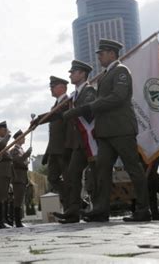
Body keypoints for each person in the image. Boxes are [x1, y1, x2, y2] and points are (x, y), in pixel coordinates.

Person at [63, 39, 151, 222]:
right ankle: (101, 210)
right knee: (102, 172)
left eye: (102, 53)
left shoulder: (121, 71)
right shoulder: (105, 75)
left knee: (133, 169)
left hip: (121, 129)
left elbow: (117, 97)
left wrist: (88, 108)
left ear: (112, 54)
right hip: (105, 133)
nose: (99, 57)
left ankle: (143, 209)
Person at [54, 60, 96, 224]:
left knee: (94, 177)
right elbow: (61, 114)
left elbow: (89, 110)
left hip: (91, 141)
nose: (70, 75)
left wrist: (70, 113)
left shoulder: (89, 91)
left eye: (73, 72)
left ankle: (96, 209)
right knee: (72, 175)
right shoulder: (75, 95)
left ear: (82, 74)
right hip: (79, 142)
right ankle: (73, 212)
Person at [35, 76, 70, 210]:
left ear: (62, 87)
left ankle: (70, 207)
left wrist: (39, 119)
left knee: (68, 178)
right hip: (54, 150)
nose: (51, 89)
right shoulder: (55, 105)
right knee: (52, 178)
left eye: (53, 86)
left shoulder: (67, 102)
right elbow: (53, 134)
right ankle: (73, 202)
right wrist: (47, 153)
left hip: (64, 148)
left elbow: (62, 121)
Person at [9, 130, 32, 227]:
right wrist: (27, 154)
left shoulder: (20, 149)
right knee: (18, 200)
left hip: (22, 177)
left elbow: (21, 162)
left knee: (20, 200)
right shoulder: (15, 150)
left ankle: (19, 220)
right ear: (18, 139)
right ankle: (17, 221)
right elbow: (17, 160)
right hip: (18, 178)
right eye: (23, 137)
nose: (24, 139)